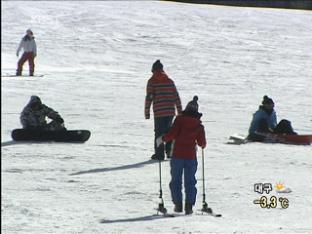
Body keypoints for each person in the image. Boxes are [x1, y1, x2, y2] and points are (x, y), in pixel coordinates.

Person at [156, 96, 206, 215]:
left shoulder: (179, 120)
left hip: (177, 155)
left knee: (176, 181)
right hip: (191, 156)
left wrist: (161, 139)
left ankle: (178, 205)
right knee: (190, 181)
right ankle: (189, 206)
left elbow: (172, 134)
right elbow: (202, 143)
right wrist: (202, 143)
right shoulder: (198, 125)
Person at [145, 60, 182, 160]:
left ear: (153, 70)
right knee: (169, 131)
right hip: (170, 111)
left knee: (159, 132)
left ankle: (159, 154)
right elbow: (176, 96)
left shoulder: (151, 81)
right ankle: (169, 152)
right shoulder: (170, 81)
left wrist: (147, 112)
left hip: (159, 111)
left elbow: (149, 97)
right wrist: (180, 111)